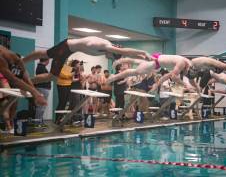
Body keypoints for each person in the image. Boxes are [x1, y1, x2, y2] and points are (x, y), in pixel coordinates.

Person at [22, 36, 151, 84]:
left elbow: (126, 55)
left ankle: (26, 75)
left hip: (68, 49)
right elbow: (126, 51)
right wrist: (143, 52)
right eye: (111, 57)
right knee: (50, 69)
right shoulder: (106, 46)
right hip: (66, 48)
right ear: (112, 53)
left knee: (50, 71)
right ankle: (23, 65)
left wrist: (143, 57)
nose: (109, 58)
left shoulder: (108, 47)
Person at [108, 53, 192, 91]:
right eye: (184, 73)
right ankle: (114, 76)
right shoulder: (182, 63)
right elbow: (173, 77)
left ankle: (120, 60)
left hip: (158, 60)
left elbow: (166, 76)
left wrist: (156, 84)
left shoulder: (185, 62)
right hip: (156, 63)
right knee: (136, 71)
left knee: (138, 61)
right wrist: (186, 84)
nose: (183, 74)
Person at [34, 58, 51, 126]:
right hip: (43, 88)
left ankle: (39, 121)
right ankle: (38, 123)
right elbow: (44, 78)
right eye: (48, 60)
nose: (49, 62)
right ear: (46, 60)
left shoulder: (41, 67)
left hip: (43, 88)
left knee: (41, 106)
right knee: (41, 106)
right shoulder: (41, 67)